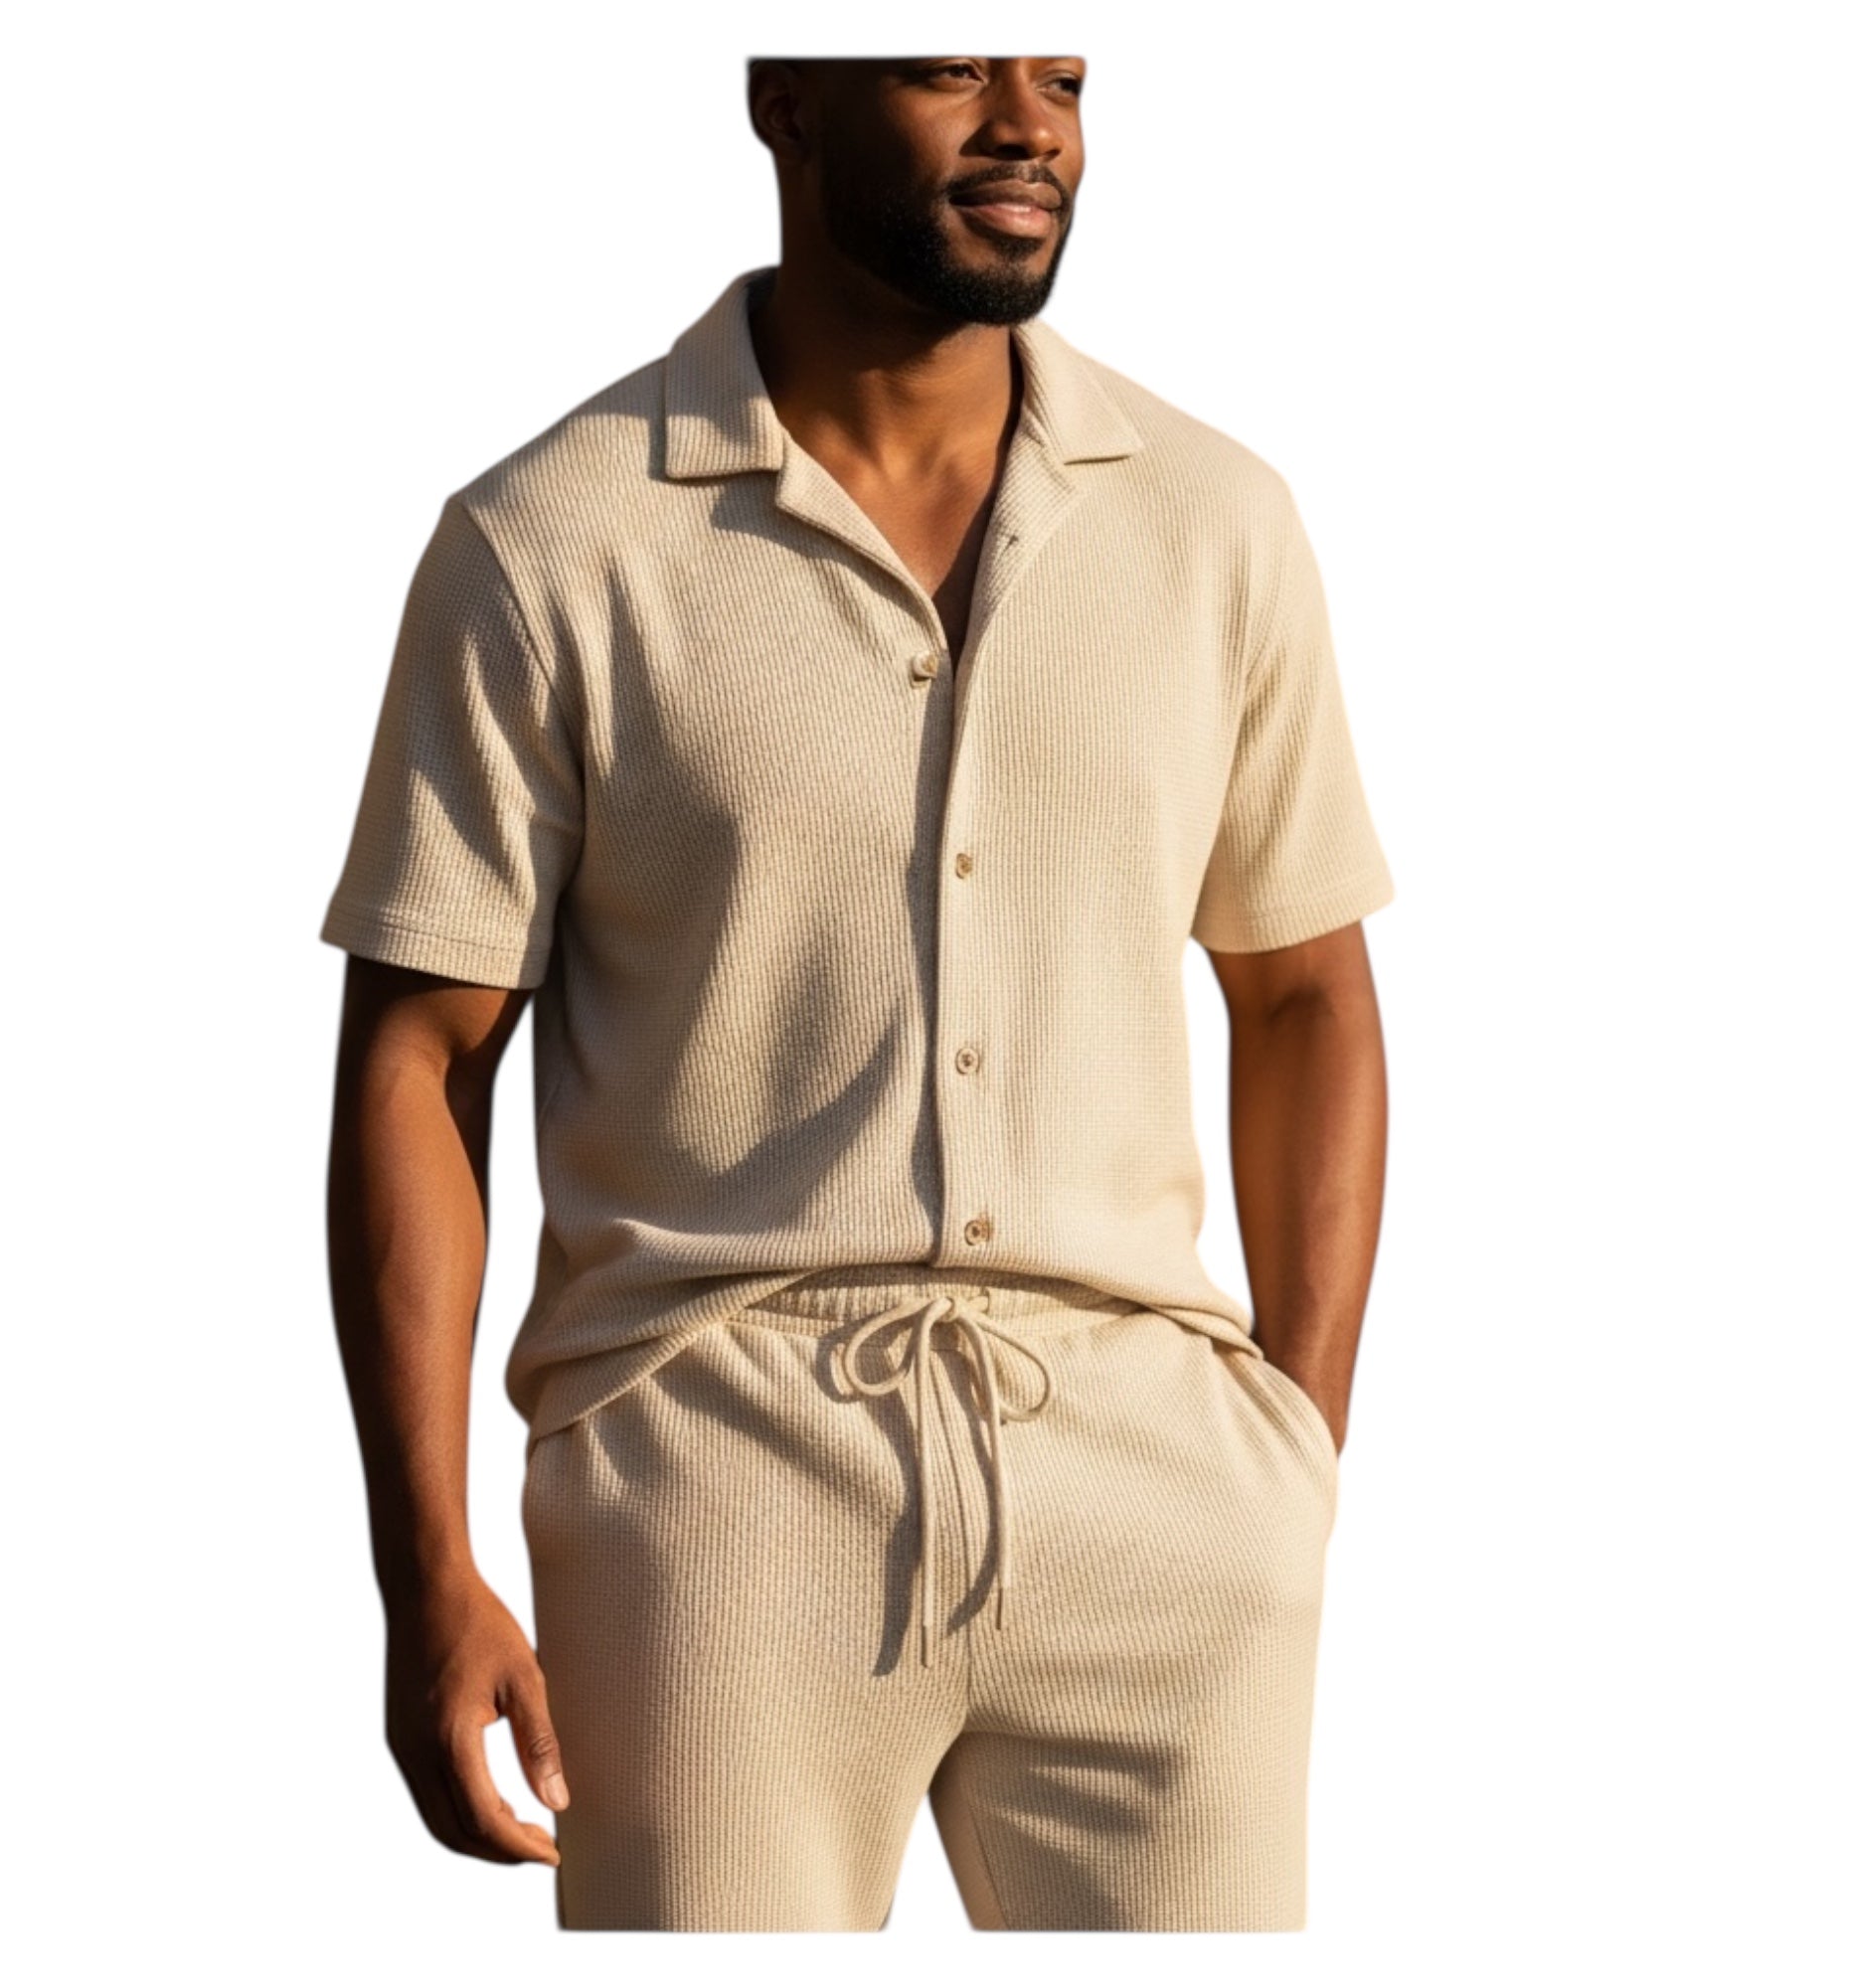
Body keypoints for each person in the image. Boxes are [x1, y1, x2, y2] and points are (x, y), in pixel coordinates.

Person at [319, 54, 1393, 1932]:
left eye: (1061, 74)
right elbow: (419, 1058)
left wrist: (1290, 1463)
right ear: (786, 95)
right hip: (714, 1485)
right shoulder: (553, 541)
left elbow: (1304, 992)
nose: (1027, 122)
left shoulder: (1215, 522)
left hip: (1162, 1487)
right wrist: (429, 1573)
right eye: (947, 65)